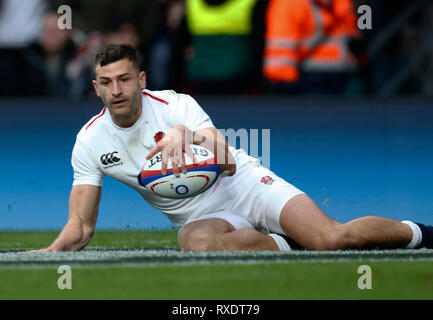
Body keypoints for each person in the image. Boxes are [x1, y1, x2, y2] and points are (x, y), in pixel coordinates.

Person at [29, 44, 432, 253]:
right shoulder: (90, 141)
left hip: (245, 186)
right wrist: (50, 252)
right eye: (106, 82)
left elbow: (226, 161)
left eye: (125, 79)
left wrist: (187, 134)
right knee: (196, 246)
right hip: (199, 216)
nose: (116, 90)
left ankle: (422, 233)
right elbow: (81, 226)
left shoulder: (176, 105)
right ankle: (287, 243)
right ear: (95, 87)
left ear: (141, 79)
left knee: (333, 239)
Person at [262, 0, 362, 95]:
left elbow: (279, 44)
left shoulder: (287, 3)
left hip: (329, 73)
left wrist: (282, 80)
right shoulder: (340, 2)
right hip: (322, 74)